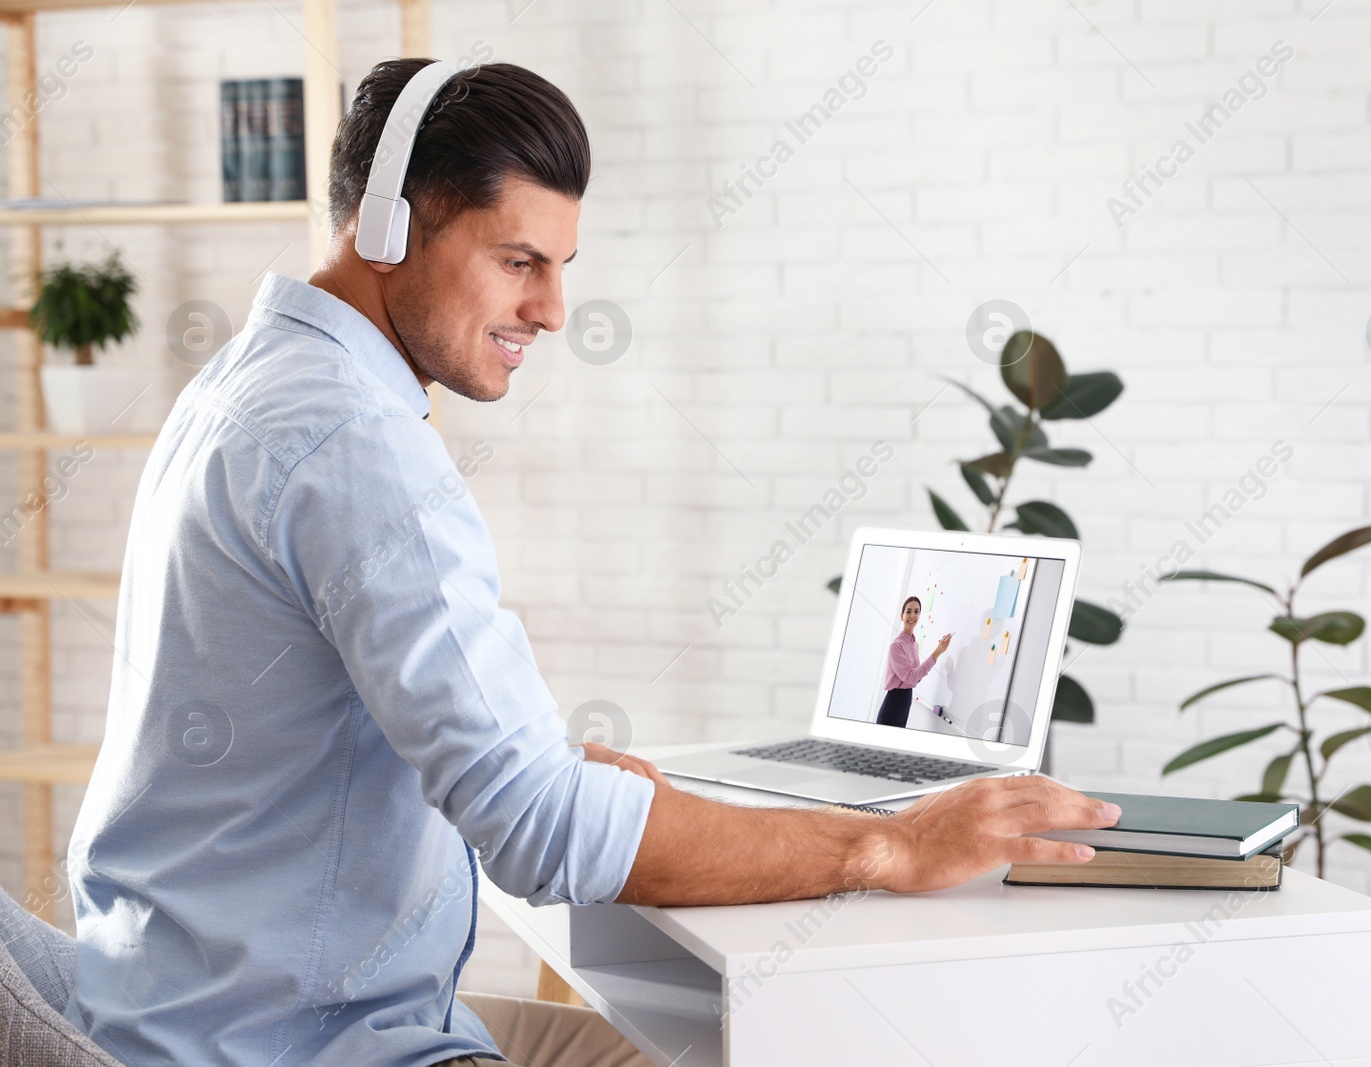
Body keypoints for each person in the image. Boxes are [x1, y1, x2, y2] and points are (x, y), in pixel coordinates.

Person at [64, 58, 1121, 1067]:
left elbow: (378, 733)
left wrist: (556, 779)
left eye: (562, 267)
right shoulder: (355, 442)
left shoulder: (253, 381)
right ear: (387, 227)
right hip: (296, 1040)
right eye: (518, 260)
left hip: (190, 1006)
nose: (552, 311)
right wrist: (884, 845)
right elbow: (535, 827)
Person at [875, 596, 951, 727]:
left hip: (905, 701)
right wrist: (936, 653)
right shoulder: (896, 646)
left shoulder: (914, 644)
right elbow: (911, 677)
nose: (912, 615)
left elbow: (916, 678)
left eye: (916, 611)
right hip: (893, 703)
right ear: (902, 615)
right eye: (909, 611)